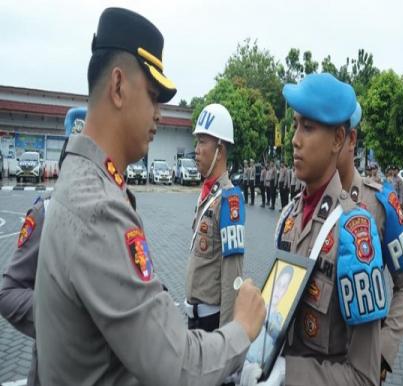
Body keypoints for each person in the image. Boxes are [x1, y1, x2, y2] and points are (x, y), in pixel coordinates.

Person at [34, 8, 265, 385]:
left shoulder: (81, 182)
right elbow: (176, 367)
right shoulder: (99, 209)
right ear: (119, 86)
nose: (159, 114)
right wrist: (242, 328)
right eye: (154, 96)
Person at [241, 73, 388, 386]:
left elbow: (365, 376)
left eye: (307, 127)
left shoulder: (354, 233)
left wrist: (289, 375)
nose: (295, 139)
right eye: (295, 125)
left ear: (338, 139)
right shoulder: (290, 216)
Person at [0, 106, 87, 386]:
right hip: (52, 370)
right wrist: (60, 315)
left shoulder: (119, 215)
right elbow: (9, 292)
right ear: (63, 166)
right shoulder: (45, 213)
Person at [336, 102, 403, 383]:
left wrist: (383, 350)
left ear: (349, 140)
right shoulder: (307, 203)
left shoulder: (380, 203)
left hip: (362, 362)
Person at [185, 103, 246, 330]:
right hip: (194, 317)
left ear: (219, 149)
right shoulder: (208, 193)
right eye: (197, 141)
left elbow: (233, 275)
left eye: (202, 141)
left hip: (212, 322)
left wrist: (227, 336)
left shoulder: (229, 199)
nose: (196, 149)